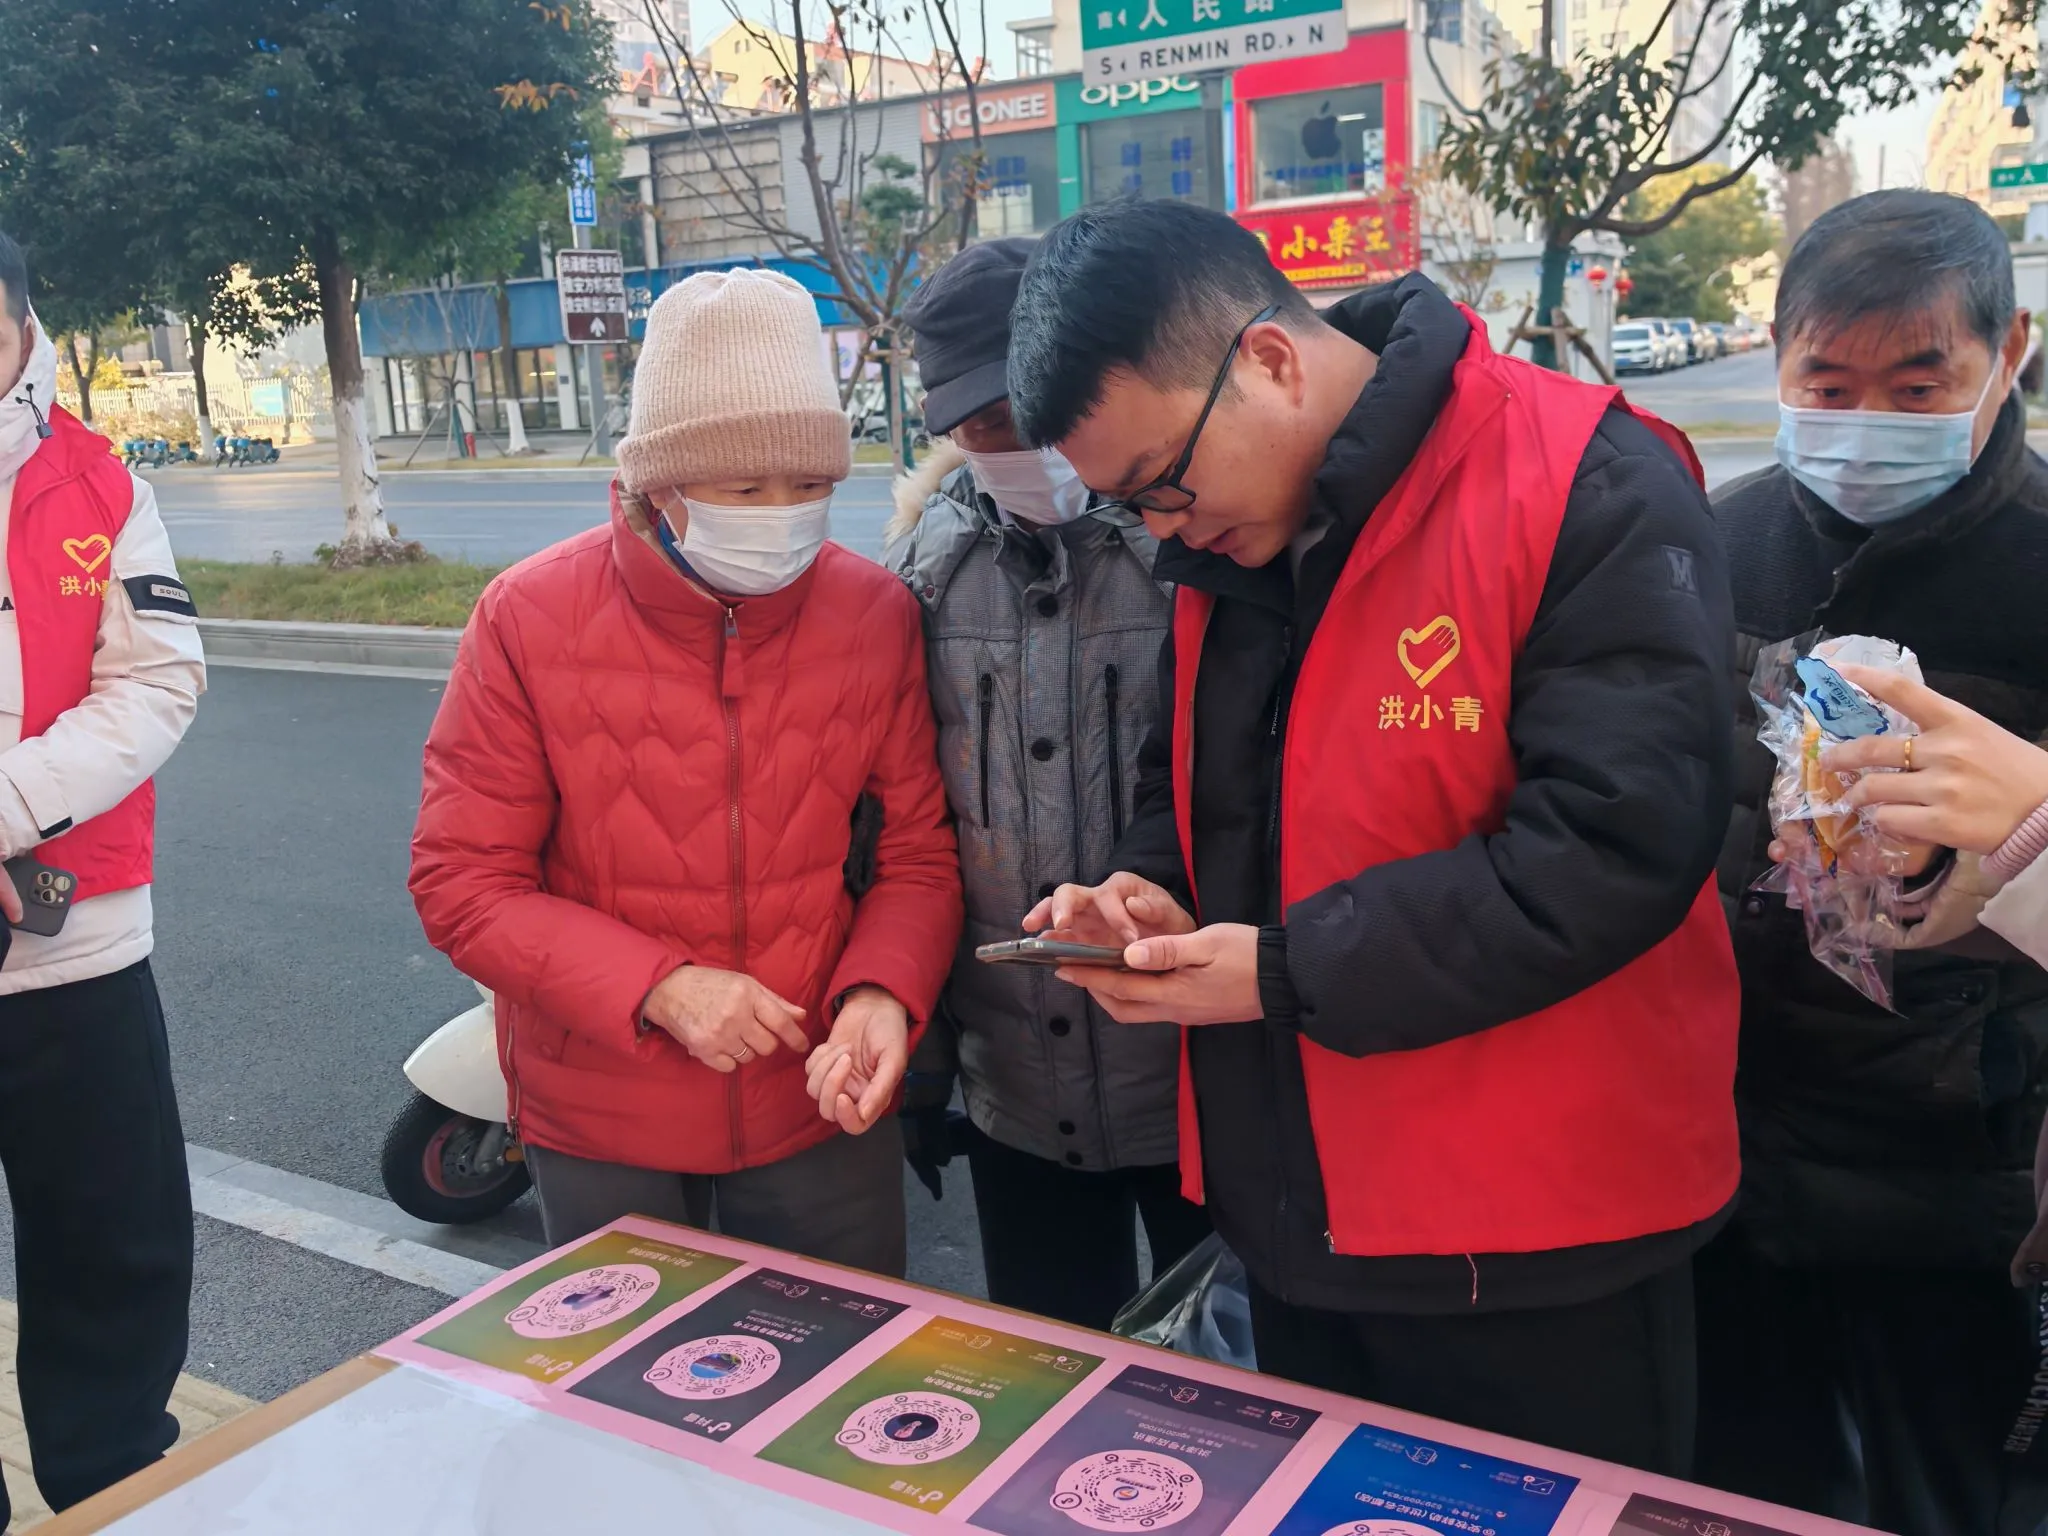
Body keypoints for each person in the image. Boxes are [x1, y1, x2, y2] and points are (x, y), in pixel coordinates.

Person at [1007, 200, 1739, 1474]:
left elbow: (1616, 845)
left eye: (1160, 484)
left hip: (1536, 1241)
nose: (1161, 528)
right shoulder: (1232, 532)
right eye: (1128, 508)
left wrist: (1281, 971)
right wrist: (1145, 890)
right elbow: (1194, 784)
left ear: (1268, 362)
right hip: (1298, 1220)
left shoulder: (1582, 476)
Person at [411, 268, 962, 1276]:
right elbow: (464, 884)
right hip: (601, 1109)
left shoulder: (873, 615)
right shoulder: (528, 618)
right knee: (624, 1368)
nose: (784, 515)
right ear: (657, 485)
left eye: (810, 486)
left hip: (815, 1095)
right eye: (745, 490)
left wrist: (881, 994)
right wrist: (659, 988)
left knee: (838, 1355)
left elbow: (917, 859)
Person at [1702, 189, 2048, 1536]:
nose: (1865, 424)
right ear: (1775, 356)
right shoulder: (1714, 545)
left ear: (2007, 353)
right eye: (1827, 385)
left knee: (1952, 1493)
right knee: (1740, 1486)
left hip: (1959, 1166)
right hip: (1731, 1145)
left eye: (1917, 388)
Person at [885, 238, 1208, 1330]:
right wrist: (925, 1060)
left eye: (1031, 413)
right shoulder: (922, 580)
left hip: (1197, 1084)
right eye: (980, 425)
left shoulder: (1194, 551)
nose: (1014, 443)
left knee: (1223, 1382)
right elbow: (901, 834)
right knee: (1050, 1368)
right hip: (1014, 1090)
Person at [0, 230, 205, 1525]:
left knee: (116, 1263)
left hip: (78, 954)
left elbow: (158, 678)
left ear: (21, 319)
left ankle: (115, 1502)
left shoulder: (100, 481)